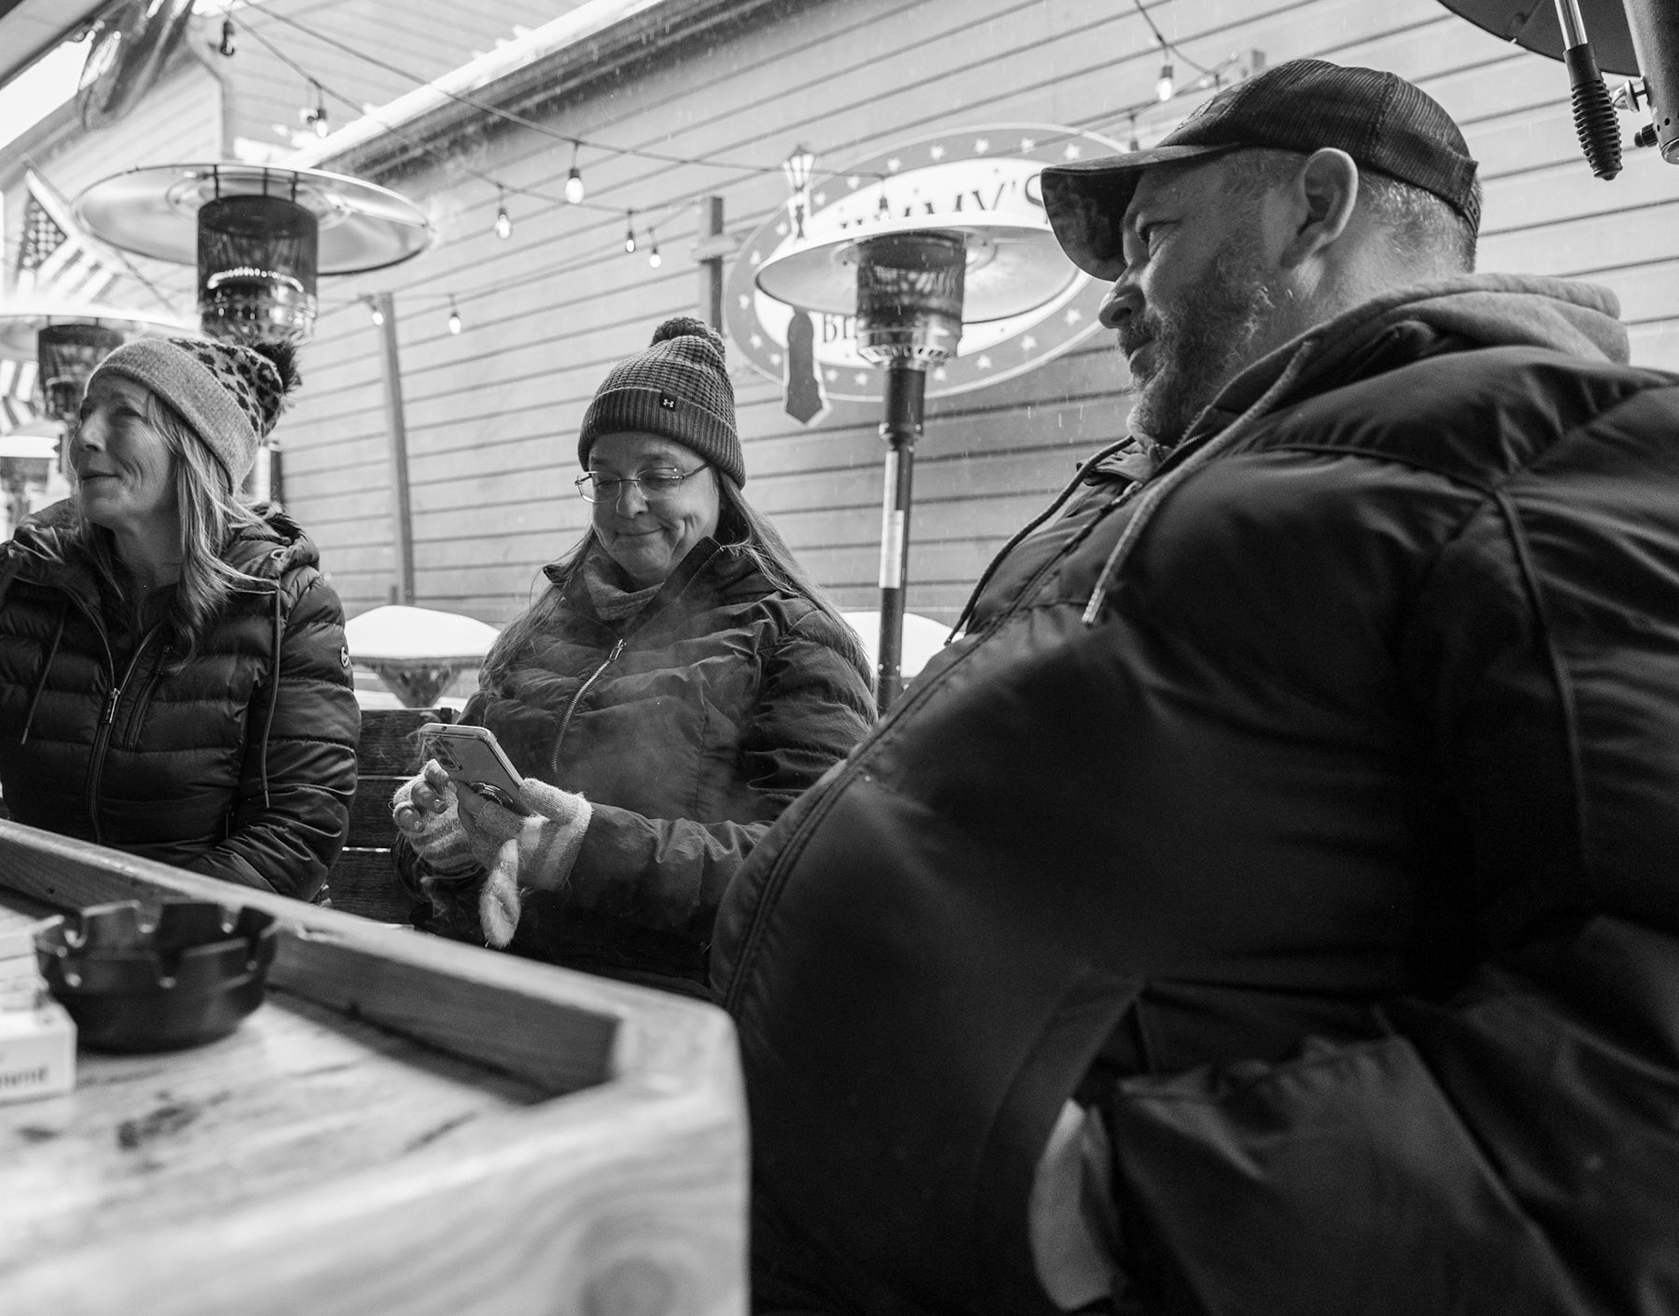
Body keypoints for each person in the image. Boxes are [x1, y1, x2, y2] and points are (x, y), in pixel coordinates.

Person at [710, 60, 1679, 1314]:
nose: (1118, 297)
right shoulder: (1170, 477)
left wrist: (1121, 1205)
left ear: (1317, 206)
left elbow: (1640, 1059)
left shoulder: (1543, 444)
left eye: (1153, 237)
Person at [394, 317, 874, 999]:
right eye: (605, 478)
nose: (628, 503)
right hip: (485, 981)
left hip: (663, 1003)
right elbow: (465, 819)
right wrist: (443, 840)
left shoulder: (793, 638)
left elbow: (811, 868)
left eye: (659, 474)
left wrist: (586, 848)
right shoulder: (538, 630)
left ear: (720, 482)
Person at [0, 335, 357, 902]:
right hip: (39, 912)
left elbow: (294, 835)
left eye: (124, 414)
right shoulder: (26, 574)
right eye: (85, 413)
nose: (83, 437)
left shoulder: (284, 602)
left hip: (203, 937)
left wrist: (130, 927)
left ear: (195, 449)